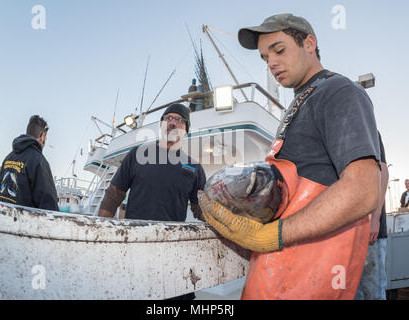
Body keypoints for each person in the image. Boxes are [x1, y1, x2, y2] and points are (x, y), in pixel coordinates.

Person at [198, 13, 381, 299]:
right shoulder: (302, 101)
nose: (271, 63)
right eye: (264, 57)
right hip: (281, 278)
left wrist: (272, 235)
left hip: (311, 280)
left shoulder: (338, 92)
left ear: (309, 43)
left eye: (279, 50)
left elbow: (362, 188)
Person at [98, 103, 206, 300]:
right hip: (137, 245)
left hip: (173, 250)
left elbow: (201, 208)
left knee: (179, 297)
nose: (172, 123)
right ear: (162, 125)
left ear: (186, 129)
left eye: (178, 120)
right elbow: (114, 194)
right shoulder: (138, 155)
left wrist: (226, 223)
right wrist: (100, 232)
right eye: (168, 118)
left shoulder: (194, 168)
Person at [0, 115, 58, 211]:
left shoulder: (8, 158)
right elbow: (49, 207)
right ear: (42, 136)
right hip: (25, 224)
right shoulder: (39, 161)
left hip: (5, 221)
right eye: (46, 138)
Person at [355, 132, 389, 300]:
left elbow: (382, 172)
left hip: (370, 232)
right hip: (346, 235)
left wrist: (375, 218)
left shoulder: (367, 129)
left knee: (373, 293)